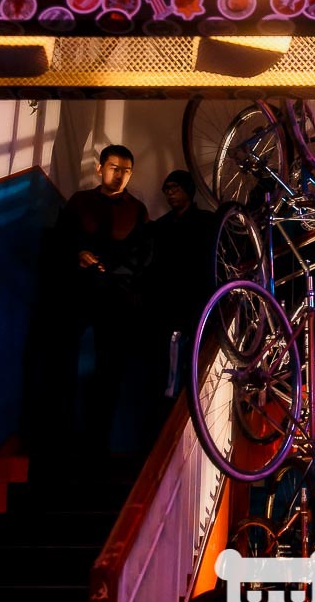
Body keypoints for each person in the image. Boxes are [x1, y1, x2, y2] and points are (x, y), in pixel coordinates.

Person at [46, 145, 150, 463]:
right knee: (61, 362)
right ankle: (58, 437)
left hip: (115, 299)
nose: (119, 175)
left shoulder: (137, 210)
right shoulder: (80, 202)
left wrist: (113, 271)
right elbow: (60, 241)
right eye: (114, 168)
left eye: (126, 171)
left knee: (109, 370)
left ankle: (97, 443)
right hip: (75, 293)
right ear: (100, 167)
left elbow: (142, 258)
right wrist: (78, 254)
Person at [141, 170, 217, 436]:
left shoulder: (206, 221)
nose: (170, 194)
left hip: (198, 303)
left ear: (188, 190)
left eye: (175, 188)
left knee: (193, 367)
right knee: (165, 371)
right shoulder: (163, 226)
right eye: (167, 189)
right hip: (167, 306)